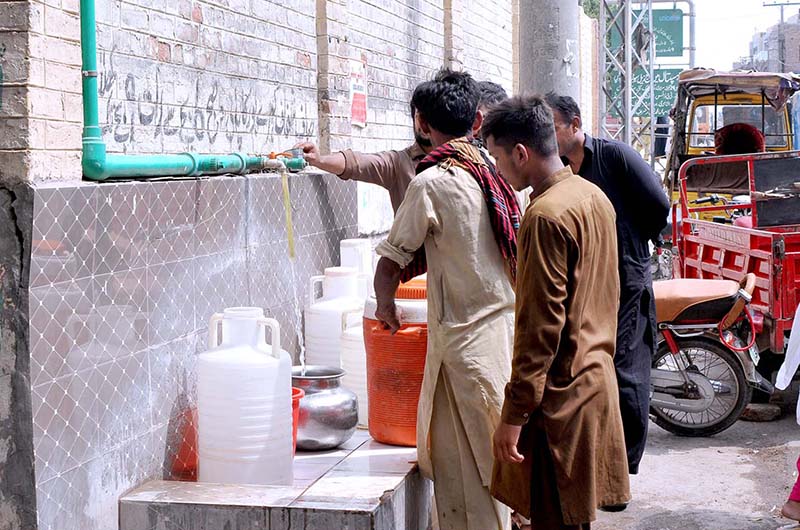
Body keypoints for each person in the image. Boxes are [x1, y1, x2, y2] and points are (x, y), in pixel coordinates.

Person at [372, 68, 521, 530]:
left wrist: (385, 308)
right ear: (477, 120)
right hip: (502, 339)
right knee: (482, 467)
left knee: (479, 468)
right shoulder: (496, 174)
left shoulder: (432, 182)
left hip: (462, 350)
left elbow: (390, 264)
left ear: (422, 122)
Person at [485, 95, 631, 530]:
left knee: (555, 520)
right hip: (595, 384)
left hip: (560, 404)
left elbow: (539, 329)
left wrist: (513, 416)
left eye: (495, 157)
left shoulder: (545, 215)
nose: (496, 169)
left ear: (521, 153)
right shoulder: (592, 195)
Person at [545, 93, 669, 476]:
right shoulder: (564, 168)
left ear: (575, 125)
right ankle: (600, 458)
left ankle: (624, 466)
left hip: (627, 275)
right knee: (592, 364)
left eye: (553, 128)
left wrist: (631, 240)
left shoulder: (614, 156)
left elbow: (659, 205)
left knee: (626, 368)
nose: (549, 138)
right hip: (588, 279)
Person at [296, 80, 511, 214]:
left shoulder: (481, 164)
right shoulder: (401, 164)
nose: (421, 123)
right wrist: (320, 159)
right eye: (417, 116)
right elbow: (358, 163)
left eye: (424, 116)